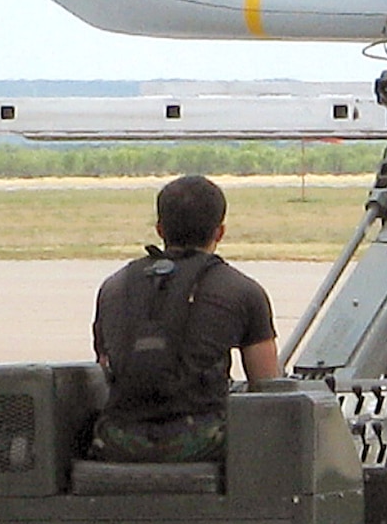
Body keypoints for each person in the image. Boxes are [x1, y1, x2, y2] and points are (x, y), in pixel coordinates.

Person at [90, 175, 279, 463]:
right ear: (220, 232)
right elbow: (267, 389)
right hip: (202, 443)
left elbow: (104, 367)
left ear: (160, 229)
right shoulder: (243, 291)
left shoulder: (114, 287)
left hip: (119, 441)